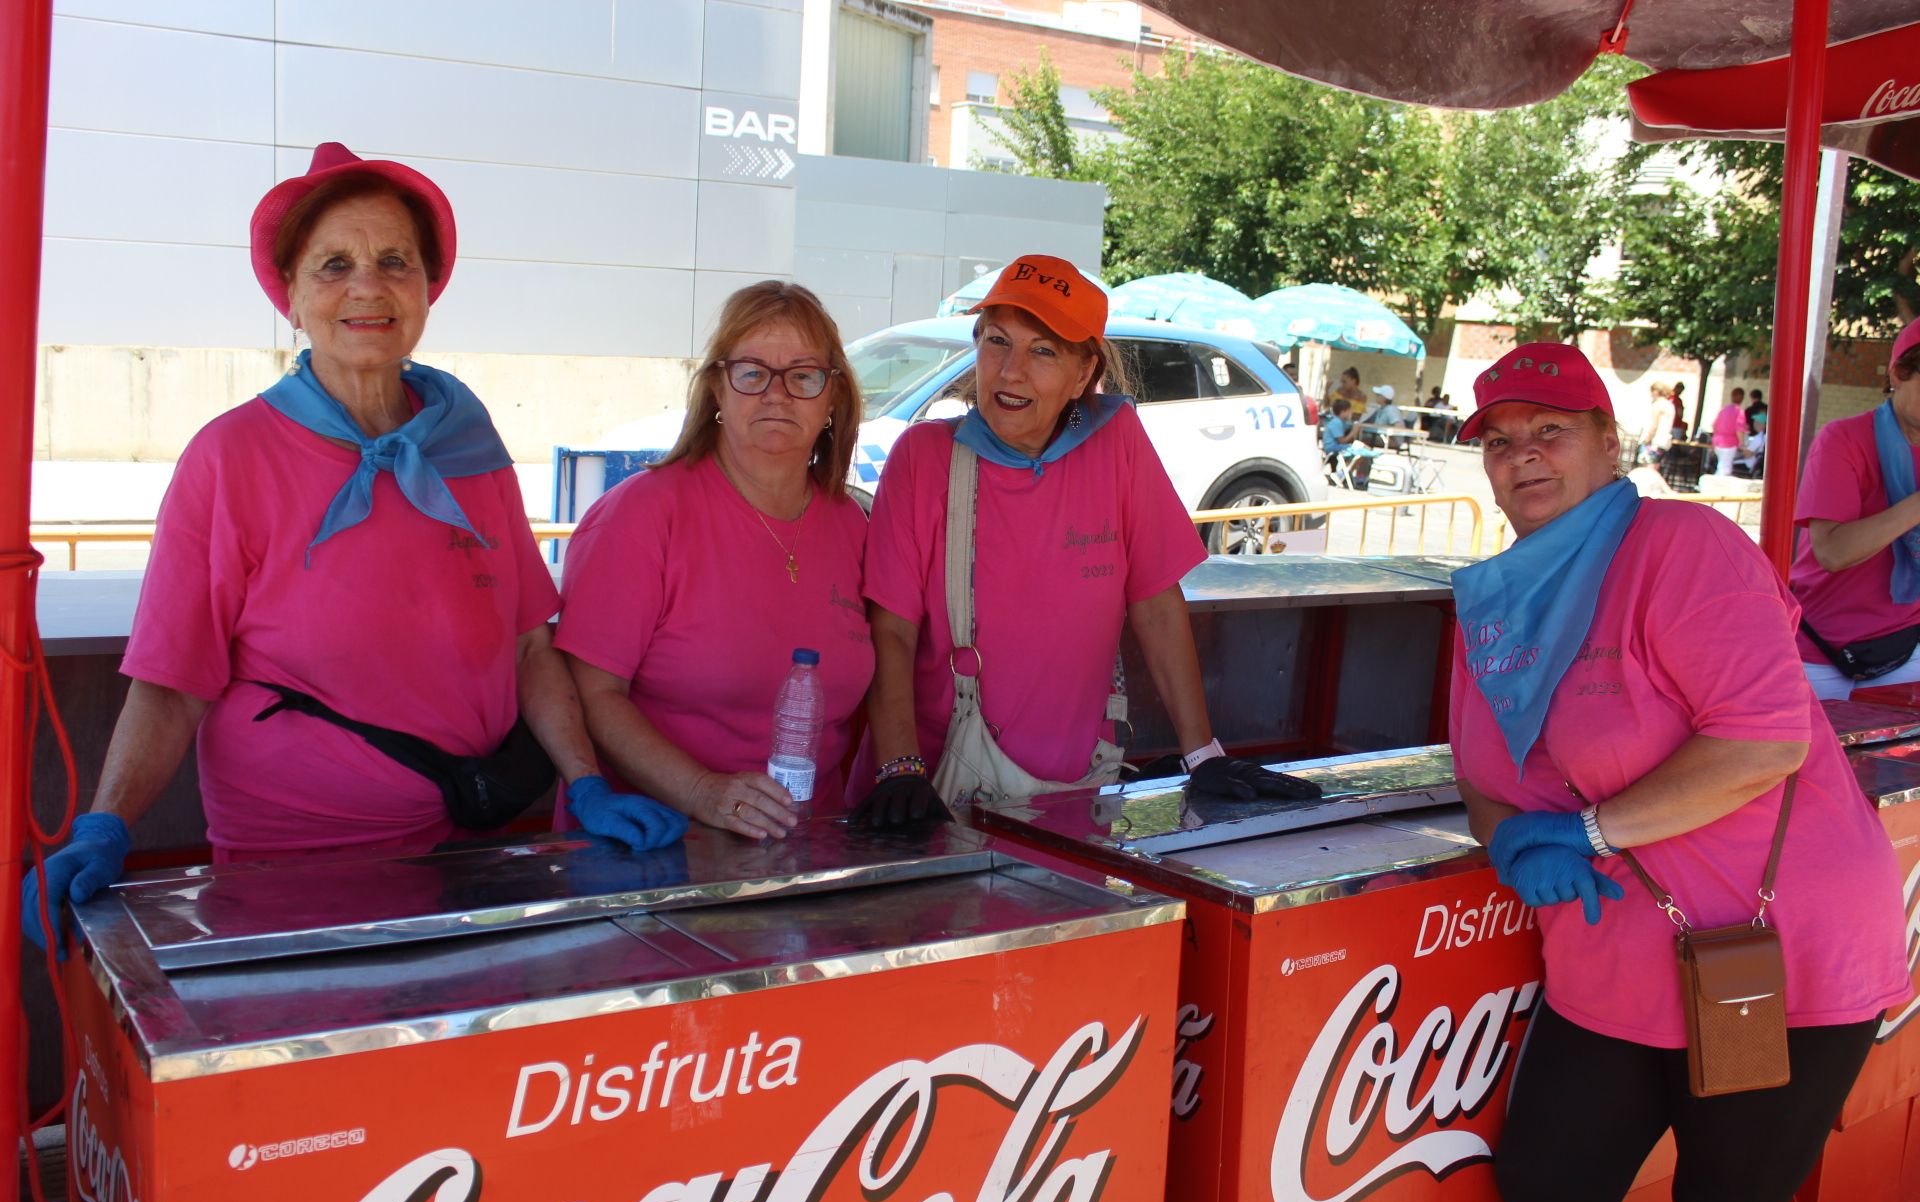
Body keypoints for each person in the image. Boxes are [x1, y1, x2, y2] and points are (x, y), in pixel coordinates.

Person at [23, 142, 688, 951]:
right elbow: (171, 684)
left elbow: (528, 647)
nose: (367, 285)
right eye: (334, 264)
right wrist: (105, 823)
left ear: (427, 288)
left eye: (394, 261)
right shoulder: (230, 459)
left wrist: (586, 783)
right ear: (292, 298)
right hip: (293, 871)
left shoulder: (471, 449)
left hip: (478, 848)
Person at [1448, 342, 1909, 1202]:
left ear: (1608, 443)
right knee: (1549, 1184)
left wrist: (1581, 833)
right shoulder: (1496, 600)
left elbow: (1763, 743)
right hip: (1616, 951)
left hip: (1772, 955)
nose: (1523, 455)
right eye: (1499, 441)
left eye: (1551, 431)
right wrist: (1508, 842)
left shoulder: (1682, 547)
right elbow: (1485, 777)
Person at [853, 254, 1306, 825]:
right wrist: (899, 768)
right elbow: (890, 629)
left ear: (1083, 372)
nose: (1011, 371)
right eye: (997, 341)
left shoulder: (1116, 443)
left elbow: (1156, 604)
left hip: (1075, 794)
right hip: (933, 794)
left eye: (1043, 350)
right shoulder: (923, 458)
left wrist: (1203, 755)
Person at [558, 282, 872, 840]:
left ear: (833, 399)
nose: (777, 394)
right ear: (716, 392)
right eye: (751, 372)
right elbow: (592, 695)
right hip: (651, 848)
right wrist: (703, 791)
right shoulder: (640, 515)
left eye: (802, 376)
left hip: (807, 851)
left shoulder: (855, 526)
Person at [1790, 316, 1920, 700]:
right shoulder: (1843, 440)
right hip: (1820, 649)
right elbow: (1833, 551)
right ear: (1898, 373)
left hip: (1904, 647)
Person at [1710, 386, 1746, 476]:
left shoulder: (1723, 410)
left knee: (1722, 466)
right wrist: (1742, 443)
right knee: (1724, 469)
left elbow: (1714, 425)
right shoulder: (1739, 412)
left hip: (1718, 442)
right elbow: (1739, 429)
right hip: (1729, 443)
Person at [1643, 380, 1675, 464]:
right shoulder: (1670, 405)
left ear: (1656, 391)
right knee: (1655, 467)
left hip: (1654, 442)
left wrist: (1647, 439)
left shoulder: (1658, 404)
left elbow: (1654, 425)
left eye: (1652, 391)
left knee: (1646, 467)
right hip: (1664, 442)